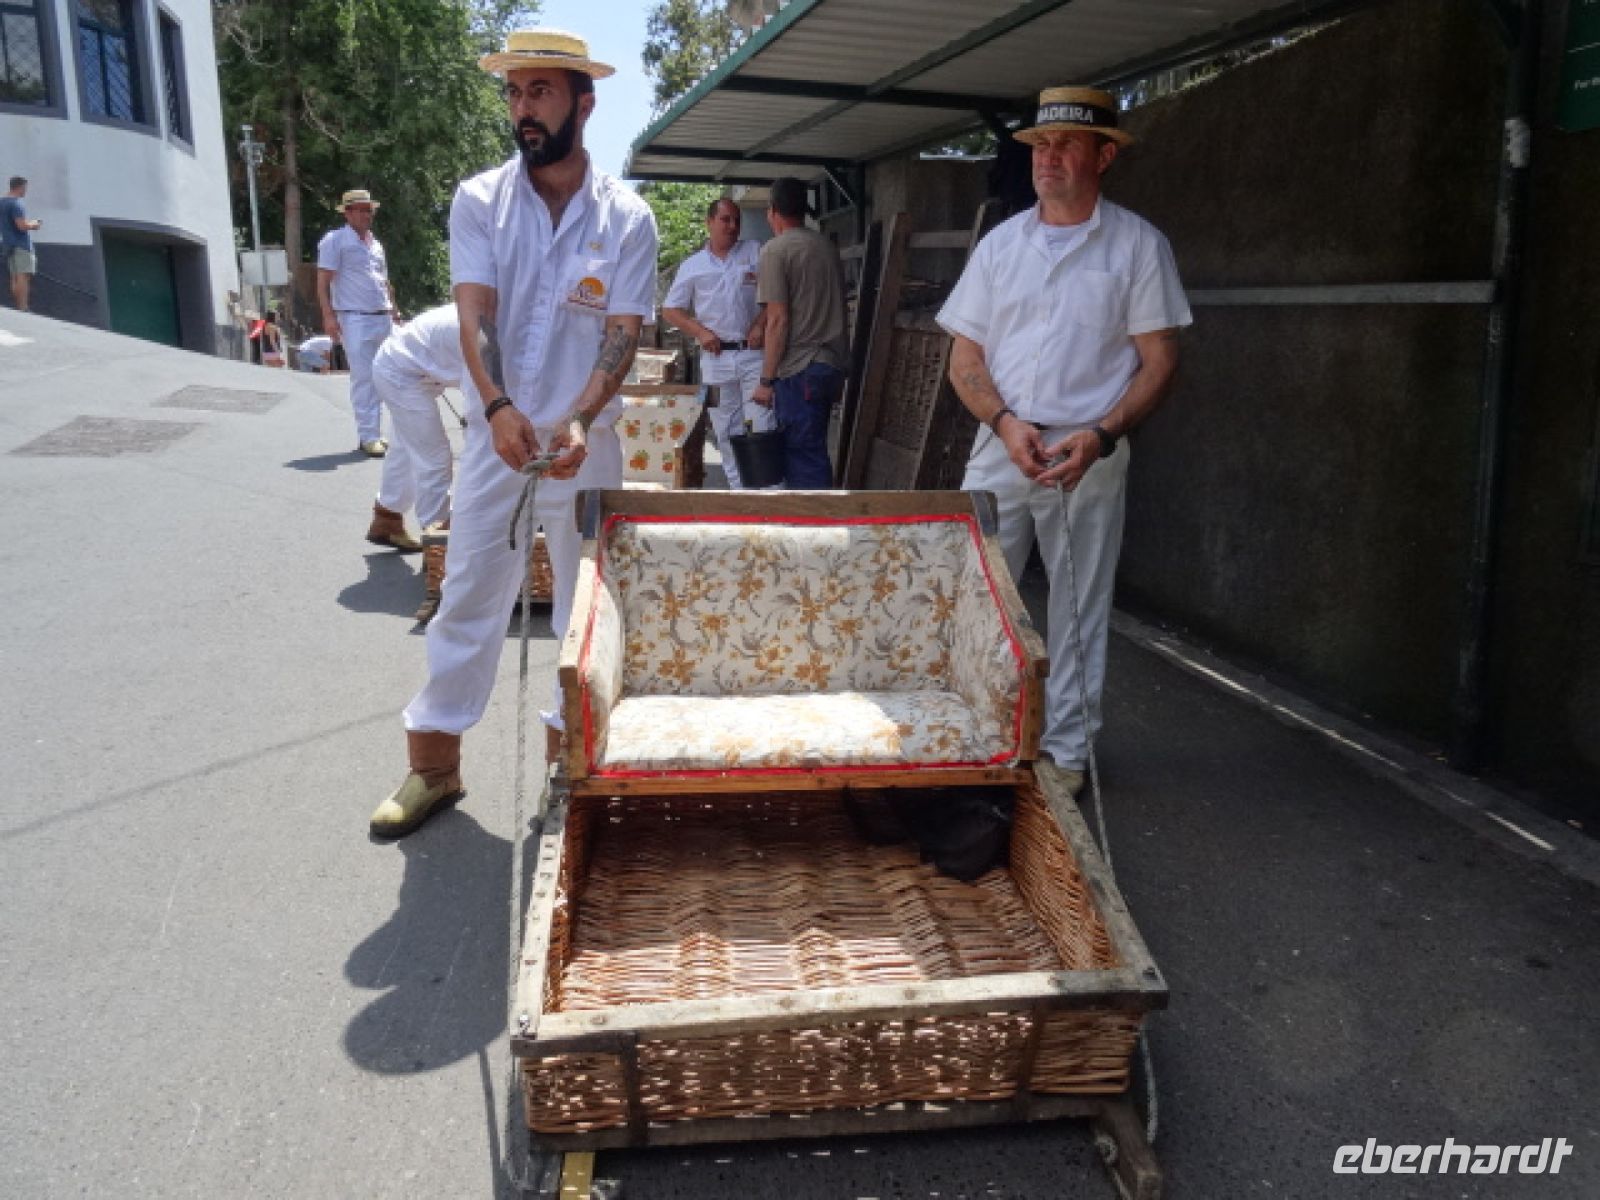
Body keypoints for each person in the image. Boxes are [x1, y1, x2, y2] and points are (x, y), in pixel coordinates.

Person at [369, 28, 657, 839]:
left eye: (540, 92)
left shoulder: (626, 218)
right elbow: (476, 312)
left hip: (584, 444)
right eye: (515, 93)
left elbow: (622, 331)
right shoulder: (480, 200)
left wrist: (580, 418)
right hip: (500, 434)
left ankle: (568, 776)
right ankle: (434, 768)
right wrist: (496, 407)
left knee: (584, 611)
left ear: (583, 103)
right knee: (467, 591)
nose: (523, 109)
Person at [937, 86, 1192, 796]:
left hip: (1088, 452)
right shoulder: (1000, 246)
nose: (1048, 158)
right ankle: (980, 731)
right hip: (1003, 443)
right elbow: (964, 358)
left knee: (1079, 608)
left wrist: (1102, 435)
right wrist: (1004, 423)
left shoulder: (1138, 245)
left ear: (1103, 156)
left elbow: (1160, 361)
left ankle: (1067, 754)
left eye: (1066, 145)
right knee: (975, 592)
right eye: (1040, 145)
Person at [661, 197, 771, 488]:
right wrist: (699, 332)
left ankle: (765, 493)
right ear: (709, 222)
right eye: (725, 220)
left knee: (761, 425)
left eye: (737, 220)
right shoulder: (693, 266)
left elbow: (776, 297)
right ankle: (739, 493)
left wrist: (760, 324)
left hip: (754, 355)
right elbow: (670, 310)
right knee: (726, 429)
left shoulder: (755, 252)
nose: (732, 226)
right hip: (716, 358)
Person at [749, 176, 849, 489]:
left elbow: (778, 319)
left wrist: (766, 380)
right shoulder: (825, 246)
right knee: (814, 449)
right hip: (831, 363)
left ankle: (815, 519)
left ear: (772, 210)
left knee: (802, 456)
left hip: (800, 367)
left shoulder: (775, 251)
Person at [366, 304, 464, 610]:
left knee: (406, 449)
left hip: (407, 366)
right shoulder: (487, 330)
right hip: (402, 373)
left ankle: (387, 516)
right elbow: (485, 414)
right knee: (435, 458)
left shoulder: (490, 310)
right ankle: (438, 547)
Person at [317, 188, 397, 457]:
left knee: (388, 374)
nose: (366, 215)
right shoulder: (335, 240)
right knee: (364, 377)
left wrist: (395, 311)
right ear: (348, 213)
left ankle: (383, 432)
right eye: (361, 210)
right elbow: (323, 281)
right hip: (355, 317)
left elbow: (384, 282)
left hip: (382, 315)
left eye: (369, 210)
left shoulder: (376, 245)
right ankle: (368, 436)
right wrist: (328, 316)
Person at [2, 176, 42, 312]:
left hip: (8, 244)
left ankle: (19, 307)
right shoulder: (16, 204)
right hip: (21, 245)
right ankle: (23, 307)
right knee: (23, 276)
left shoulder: (2, 202)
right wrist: (34, 224)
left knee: (15, 276)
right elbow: (21, 226)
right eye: (25, 188)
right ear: (20, 187)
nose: (26, 191)